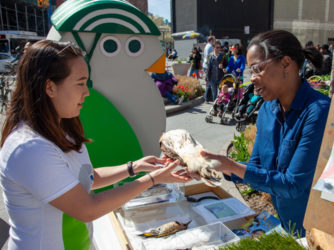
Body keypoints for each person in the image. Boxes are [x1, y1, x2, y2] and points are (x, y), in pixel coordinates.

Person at [0, 40, 191, 249]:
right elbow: (87, 208)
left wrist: (134, 167)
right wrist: (152, 179)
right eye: (80, 83)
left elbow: (86, 179)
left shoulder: (60, 128)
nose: (87, 92)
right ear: (50, 87)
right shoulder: (29, 148)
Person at [199, 30, 330, 237]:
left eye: (258, 69)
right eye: (250, 71)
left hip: (318, 232)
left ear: (286, 64)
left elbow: (293, 184)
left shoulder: (319, 112)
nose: (252, 79)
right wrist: (216, 167)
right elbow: (256, 168)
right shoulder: (268, 110)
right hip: (287, 227)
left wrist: (232, 165)